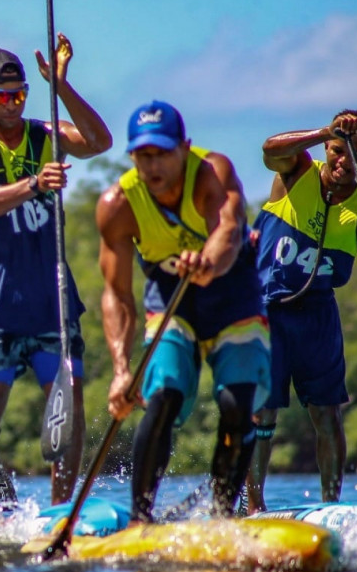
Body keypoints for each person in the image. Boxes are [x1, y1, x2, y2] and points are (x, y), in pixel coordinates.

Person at [0, 36, 113, 508]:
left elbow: (100, 142)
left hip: (49, 300)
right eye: (0, 97)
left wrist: (61, 86)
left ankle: (62, 510)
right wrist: (35, 183)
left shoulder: (46, 134)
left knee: (69, 402)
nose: (11, 105)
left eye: (19, 95)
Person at [94, 101, 270, 522]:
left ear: (184, 147)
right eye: (142, 156)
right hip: (170, 293)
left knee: (235, 401)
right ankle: (141, 518)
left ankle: (226, 518)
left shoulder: (213, 173)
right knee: (165, 393)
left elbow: (228, 232)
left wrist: (209, 261)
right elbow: (117, 294)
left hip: (232, 291)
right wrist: (121, 368)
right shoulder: (117, 204)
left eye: (162, 154)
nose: (152, 166)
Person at [243, 110, 357, 513]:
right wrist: (321, 132)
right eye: (337, 149)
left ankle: (332, 507)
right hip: (268, 310)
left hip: (318, 318)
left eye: (355, 153)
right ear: (327, 147)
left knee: (327, 417)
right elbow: (268, 149)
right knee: (263, 411)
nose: (344, 160)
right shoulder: (295, 172)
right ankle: (253, 506)